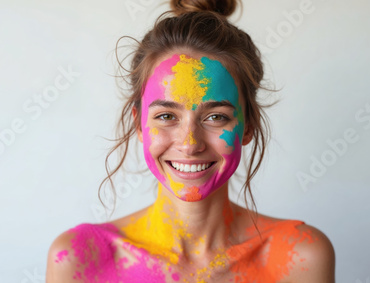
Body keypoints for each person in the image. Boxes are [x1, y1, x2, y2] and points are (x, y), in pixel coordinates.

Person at [46, 0, 335, 282]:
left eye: (216, 117)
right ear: (139, 124)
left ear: (248, 126)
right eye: (167, 116)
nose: (190, 144)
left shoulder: (300, 256)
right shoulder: (80, 259)